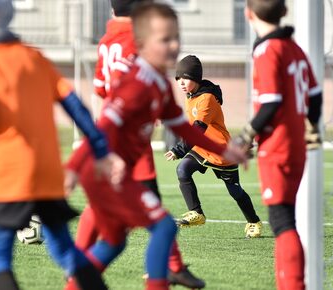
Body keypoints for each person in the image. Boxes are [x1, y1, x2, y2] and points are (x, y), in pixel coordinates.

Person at [0, 0, 125, 289]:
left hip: (8, 172)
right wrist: (101, 149)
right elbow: (76, 106)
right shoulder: (36, 58)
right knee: (64, 250)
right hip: (46, 171)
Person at [64, 3, 248, 290]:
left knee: (114, 241)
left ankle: (76, 281)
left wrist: (226, 150)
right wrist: (73, 168)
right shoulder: (136, 81)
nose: (173, 46)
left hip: (121, 171)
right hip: (106, 169)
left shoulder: (159, 83)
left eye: (176, 37)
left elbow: (183, 127)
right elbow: (105, 127)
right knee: (162, 226)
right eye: (165, 39)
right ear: (142, 41)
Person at [78, 0, 205, 288]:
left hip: (117, 134)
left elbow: (101, 89)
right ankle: (168, 268)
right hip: (127, 138)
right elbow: (132, 87)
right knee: (153, 218)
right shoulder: (133, 40)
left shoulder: (107, 41)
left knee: (111, 221)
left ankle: (80, 266)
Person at [235, 0, 323, 289]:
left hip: (278, 146)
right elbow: (316, 94)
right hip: (295, 144)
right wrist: (310, 125)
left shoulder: (266, 49)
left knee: (283, 221)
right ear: (285, 11)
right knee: (285, 217)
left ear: (248, 14)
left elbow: (270, 101)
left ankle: (294, 284)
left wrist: (244, 136)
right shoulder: (294, 48)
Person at [165, 55, 262, 238]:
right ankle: (197, 213)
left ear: (196, 78)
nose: (181, 83)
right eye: (178, 79)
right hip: (202, 148)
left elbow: (198, 129)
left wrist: (179, 149)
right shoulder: (190, 96)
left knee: (235, 191)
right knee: (183, 170)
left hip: (221, 151)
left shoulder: (207, 98)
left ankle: (254, 221)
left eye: (185, 78)